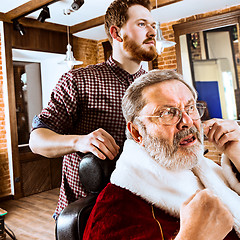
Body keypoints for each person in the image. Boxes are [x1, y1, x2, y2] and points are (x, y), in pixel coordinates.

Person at [83, 69, 240, 240]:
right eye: (167, 113)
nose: (187, 121)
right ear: (137, 132)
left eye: (190, 108)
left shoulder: (205, 171)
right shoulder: (116, 210)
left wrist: (238, 156)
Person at [29, 0, 157, 220]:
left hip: (142, 207)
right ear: (116, 34)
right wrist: (79, 141)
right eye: (142, 24)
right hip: (87, 214)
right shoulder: (78, 80)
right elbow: (37, 141)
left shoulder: (156, 86)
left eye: (154, 25)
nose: (153, 31)